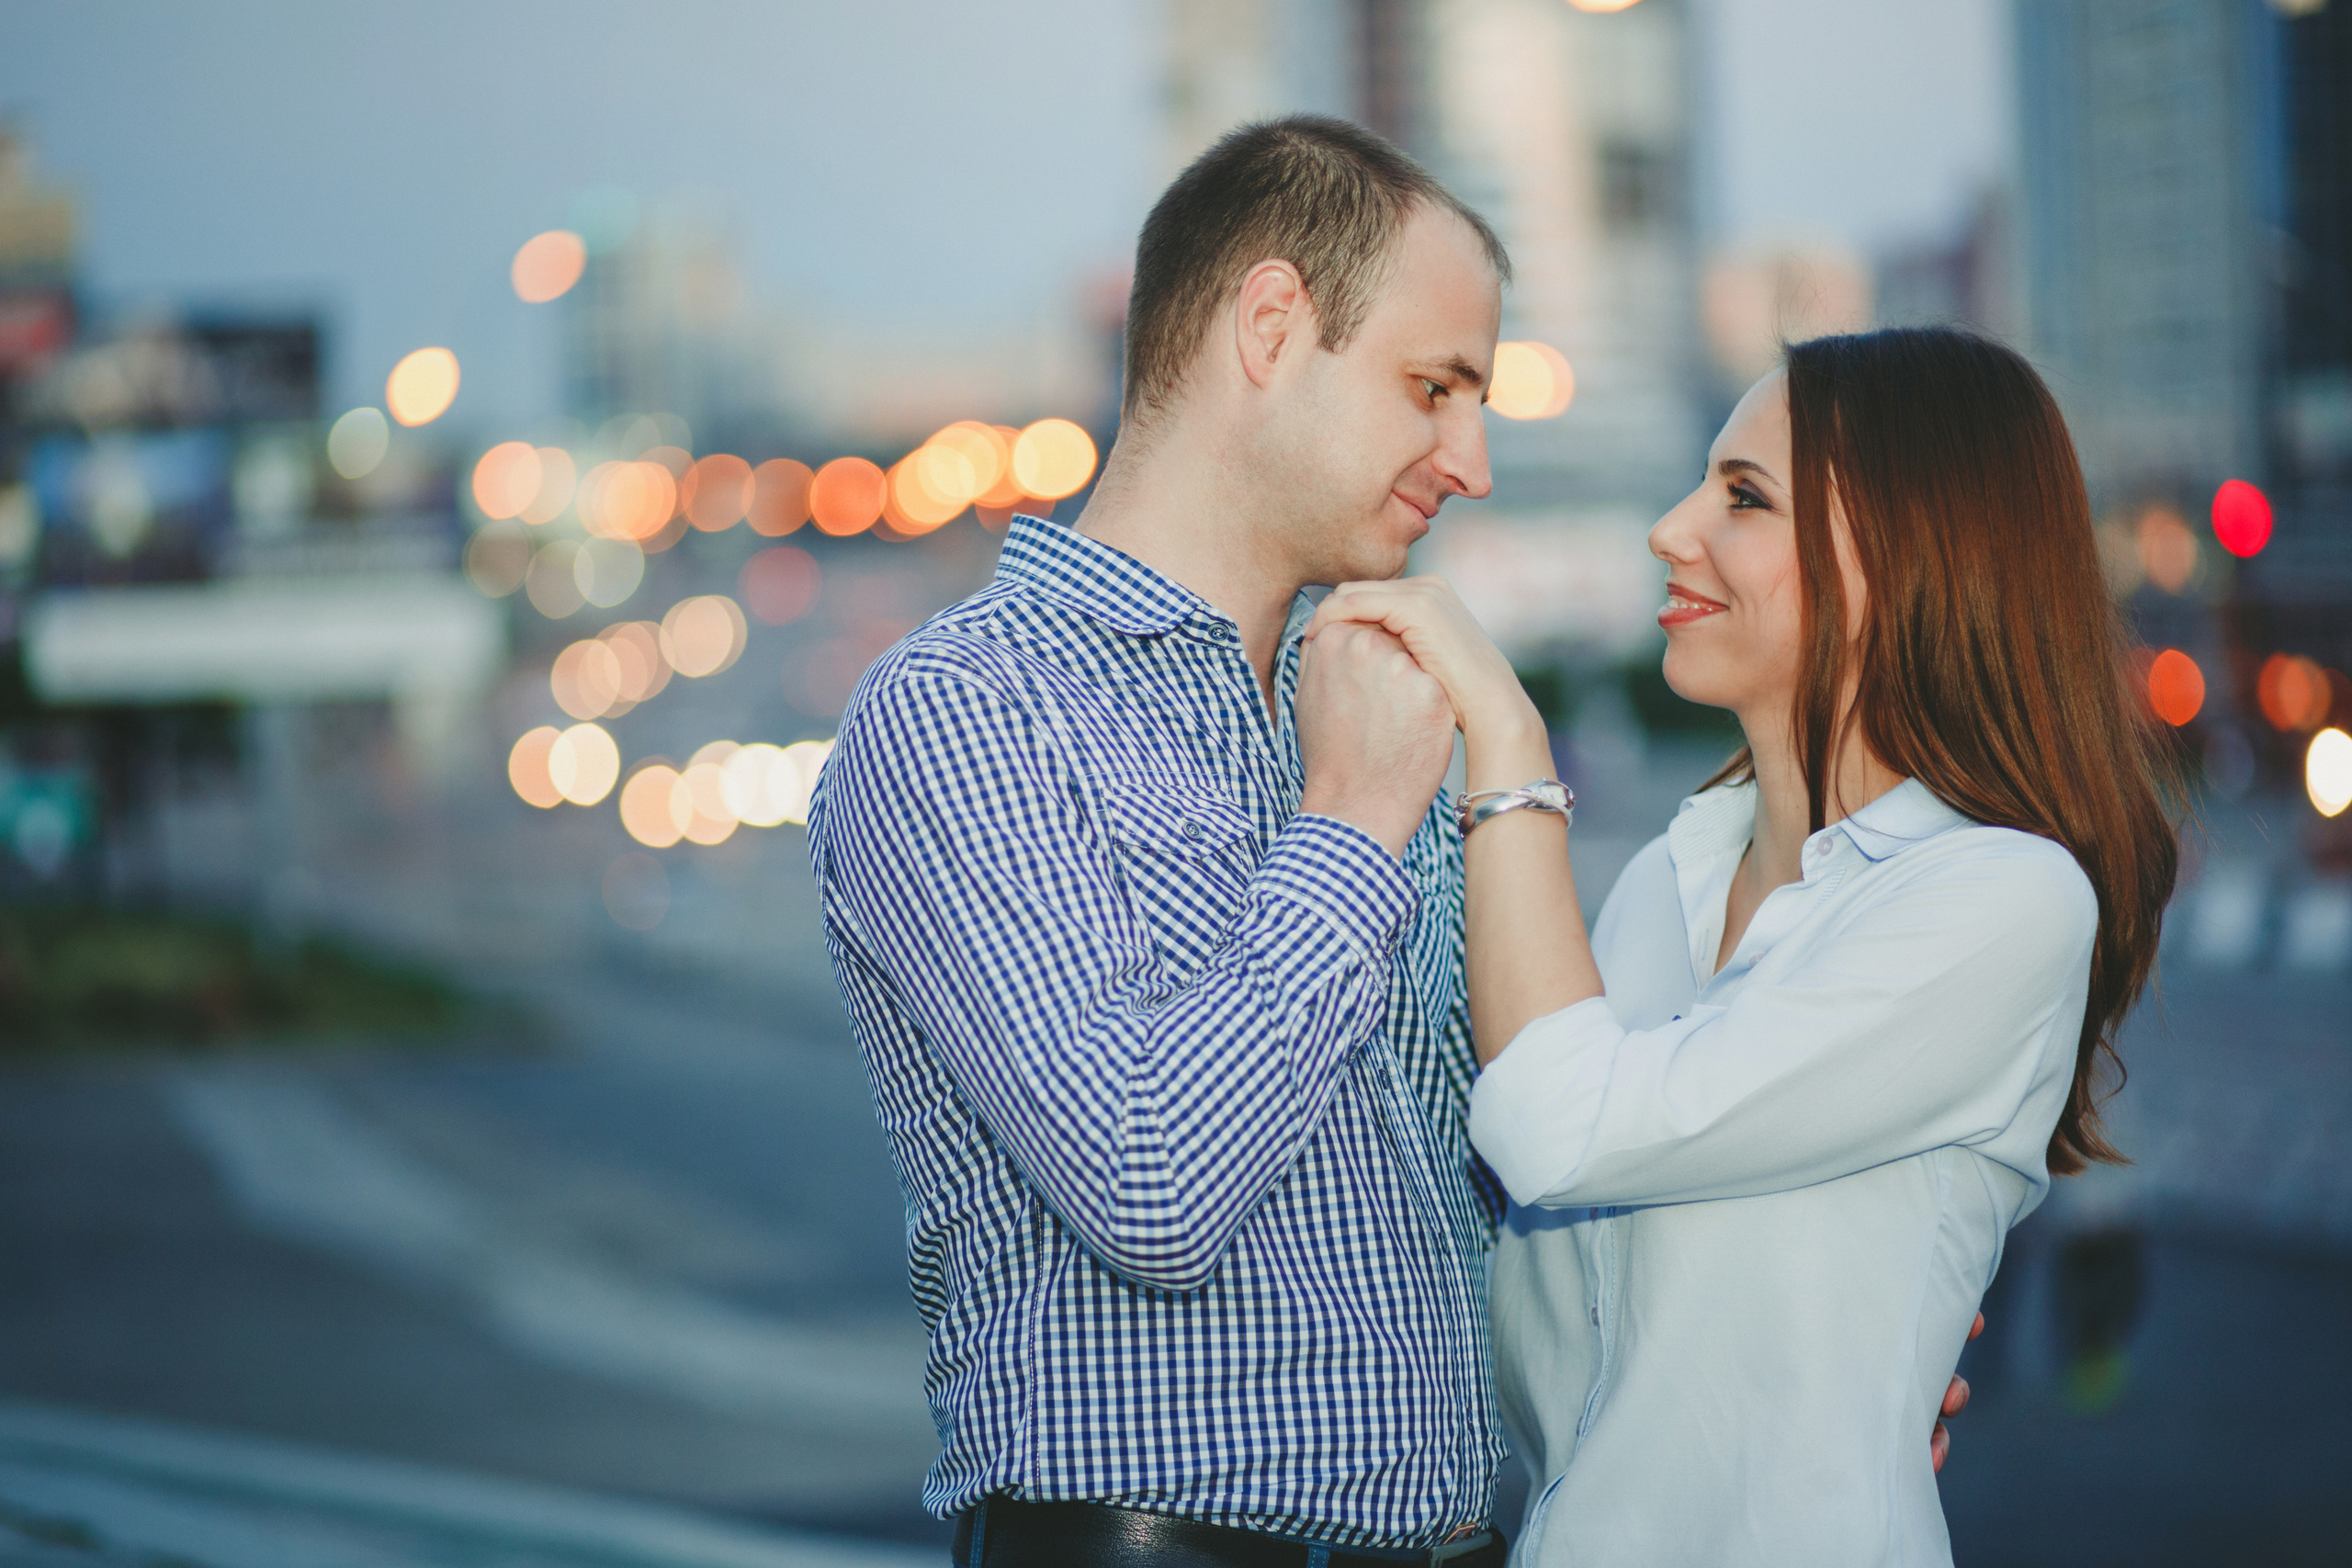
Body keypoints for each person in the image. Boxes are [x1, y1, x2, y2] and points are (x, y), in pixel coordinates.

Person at [1307, 326, 2179, 1565]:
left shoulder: (2001, 898)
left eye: (1745, 497)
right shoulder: (1667, 883)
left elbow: (1563, 1126)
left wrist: (1505, 739)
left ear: (1908, 555)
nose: (1673, 529)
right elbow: (1549, 1322)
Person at [809, 116, 1514, 1566]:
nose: (1473, 458)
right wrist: (1355, 822)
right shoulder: (966, 712)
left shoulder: (1374, 692)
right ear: (1271, 325)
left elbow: (1499, 1176)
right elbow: (1149, 1177)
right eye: (1433, 387)